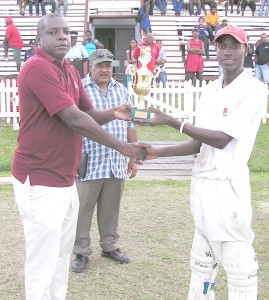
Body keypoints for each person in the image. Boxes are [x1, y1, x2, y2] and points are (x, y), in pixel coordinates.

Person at [12, 13, 146, 300]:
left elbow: (87, 113)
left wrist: (113, 113)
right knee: (42, 259)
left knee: (60, 254)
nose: (62, 36)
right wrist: (122, 147)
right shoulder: (37, 67)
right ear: (39, 39)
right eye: (54, 32)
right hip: (39, 178)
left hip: (63, 178)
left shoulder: (69, 69)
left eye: (67, 32)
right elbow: (73, 118)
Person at [134, 25, 267, 299]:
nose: (227, 51)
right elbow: (199, 143)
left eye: (234, 45)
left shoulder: (254, 89)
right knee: (202, 260)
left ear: (246, 49)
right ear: (214, 50)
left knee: (237, 262)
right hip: (202, 182)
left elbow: (221, 139)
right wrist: (157, 151)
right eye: (222, 46)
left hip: (228, 184)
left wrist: (172, 121)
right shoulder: (210, 90)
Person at [71, 49, 138, 273]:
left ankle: (109, 245)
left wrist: (133, 156)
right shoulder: (80, 89)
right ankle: (81, 251)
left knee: (111, 208)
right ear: (90, 66)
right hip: (89, 160)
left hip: (115, 160)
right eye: (100, 65)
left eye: (108, 65)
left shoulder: (122, 90)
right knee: (82, 209)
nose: (104, 69)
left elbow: (131, 124)